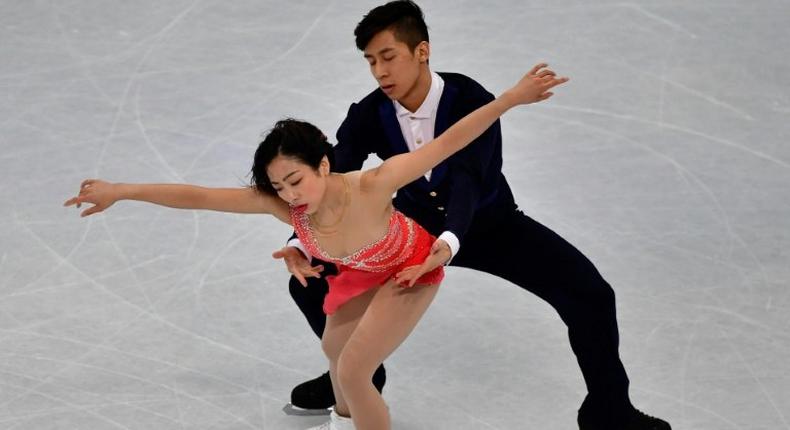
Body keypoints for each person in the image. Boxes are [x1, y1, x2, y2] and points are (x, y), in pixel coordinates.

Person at [64, 66, 566, 430]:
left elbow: (448, 143)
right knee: (336, 355)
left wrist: (508, 100)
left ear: (324, 165)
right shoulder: (290, 210)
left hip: (410, 269)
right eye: (278, 186)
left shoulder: (373, 184)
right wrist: (121, 190)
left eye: (295, 179)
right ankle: (351, 412)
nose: (288, 194)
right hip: (363, 275)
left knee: (352, 370)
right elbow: (197, 196)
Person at [275, 1, 671, 429]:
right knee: (307, 282)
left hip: (488, 225)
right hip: (405, 234)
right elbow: (335, 181)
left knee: (591, 295)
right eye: (371, 61)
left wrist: (447, 245)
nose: (379, 72)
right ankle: (355, 375)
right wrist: (303, 242)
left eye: (388, 57)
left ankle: (608, 410)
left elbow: (467, 180)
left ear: (421, 51)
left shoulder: (470, 100)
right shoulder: (369, 113)